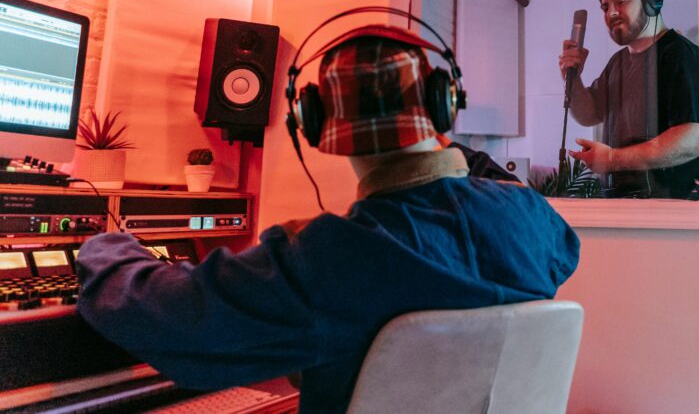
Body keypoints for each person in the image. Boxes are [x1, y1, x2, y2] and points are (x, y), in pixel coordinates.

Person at [76, 28, 580, 413]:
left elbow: (172, 319)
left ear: (314, 121)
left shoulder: (329, 257)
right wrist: (443, 149)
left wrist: (104, 243)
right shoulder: (532, 220)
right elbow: (523, 222)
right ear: (442, 104)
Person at [558, 0, 699, 199]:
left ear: (652, 2)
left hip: (669, 205)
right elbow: (589, 115)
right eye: (605, 7)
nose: (611, 12)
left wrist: (613, 159)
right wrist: (572, 78)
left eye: (621, 1)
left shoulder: (678, 54)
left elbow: (693, 139)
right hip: (625, 204)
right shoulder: (618, 63)